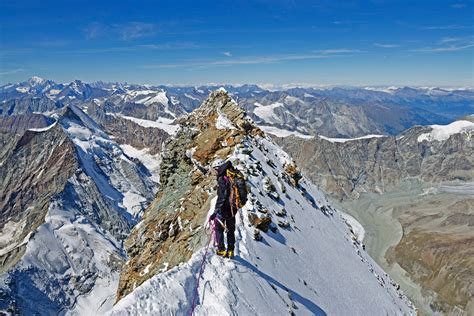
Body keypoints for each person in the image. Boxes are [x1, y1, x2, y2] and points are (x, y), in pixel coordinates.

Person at [210, 160, 236, 258]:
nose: (214, 172)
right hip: (233, 208)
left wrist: (216, 211)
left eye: (214, 169)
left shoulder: (222, 178)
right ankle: (230, 251)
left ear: (218, 168)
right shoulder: (231, 175)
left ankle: (221, 250)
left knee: (218, 228)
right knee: (230, 229)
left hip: (224, 208)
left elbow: (223, 196)